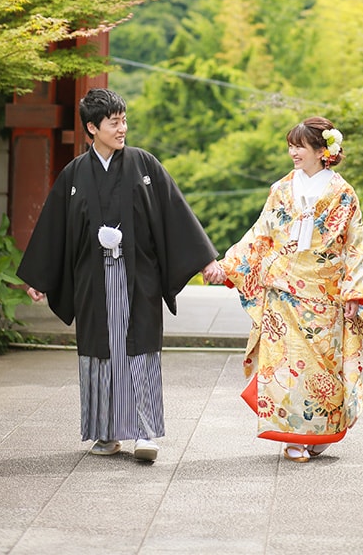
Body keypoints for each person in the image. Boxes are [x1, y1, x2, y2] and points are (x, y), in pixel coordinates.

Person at [17, 87, 219, 462]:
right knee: (101, 352)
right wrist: (39, 278)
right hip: (93, 281)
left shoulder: (144, 165)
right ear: (92, 128)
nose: (122, 128)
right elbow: (53, 228)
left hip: (137, 277)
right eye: (114, 122)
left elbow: (176, 213)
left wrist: (205, 260)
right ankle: (107, 433)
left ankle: (145, 432)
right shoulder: (74, 174)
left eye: (124, 120)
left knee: (139, 350)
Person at [205, 116, 363, 463]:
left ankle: (320, 432)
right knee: (285, 366)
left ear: (321, 150)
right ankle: (293, 438)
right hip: (282, 290)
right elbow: (261, 235)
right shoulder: (281, 189)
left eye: (300, 146)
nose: (292, 152)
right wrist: (225, 266)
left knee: (322, 368)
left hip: (325, 291)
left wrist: (354, 292)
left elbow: (356, 243)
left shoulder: (342, 193)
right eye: (291, 145)